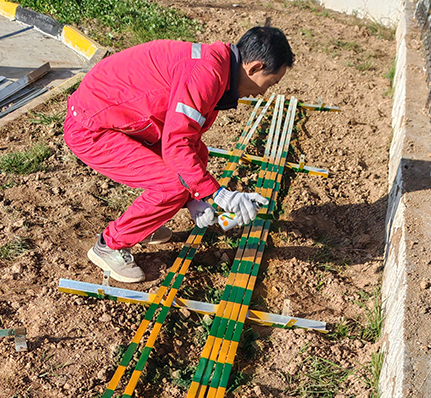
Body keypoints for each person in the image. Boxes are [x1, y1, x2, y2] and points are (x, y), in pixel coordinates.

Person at [63, 26, 295, 283]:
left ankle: (145, 226)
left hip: (120, 118)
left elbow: (188, 139)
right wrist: (215, 194)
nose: (264, 92)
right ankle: (109, 245)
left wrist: (194, 198)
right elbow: (176, 145)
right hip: (91, 126)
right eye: (270, 82)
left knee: (197, 157)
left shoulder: (216, 69)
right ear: (254, 67)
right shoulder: (206, 75)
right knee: (172, 185)